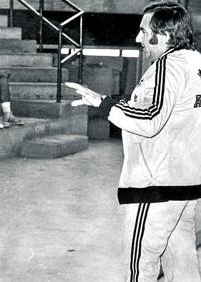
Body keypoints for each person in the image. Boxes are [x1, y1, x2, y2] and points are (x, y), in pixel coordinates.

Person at [68, 2, 201, 281]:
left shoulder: (167, 65)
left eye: (143, 32)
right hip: (186, 186)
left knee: (139, 267)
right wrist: (115, 103)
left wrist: (103, 104)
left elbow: (150, 118)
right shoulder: (196, 62)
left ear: (163, 36)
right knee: (183, 265)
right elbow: (165, 110)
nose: (138, 38)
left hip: (156, 190)